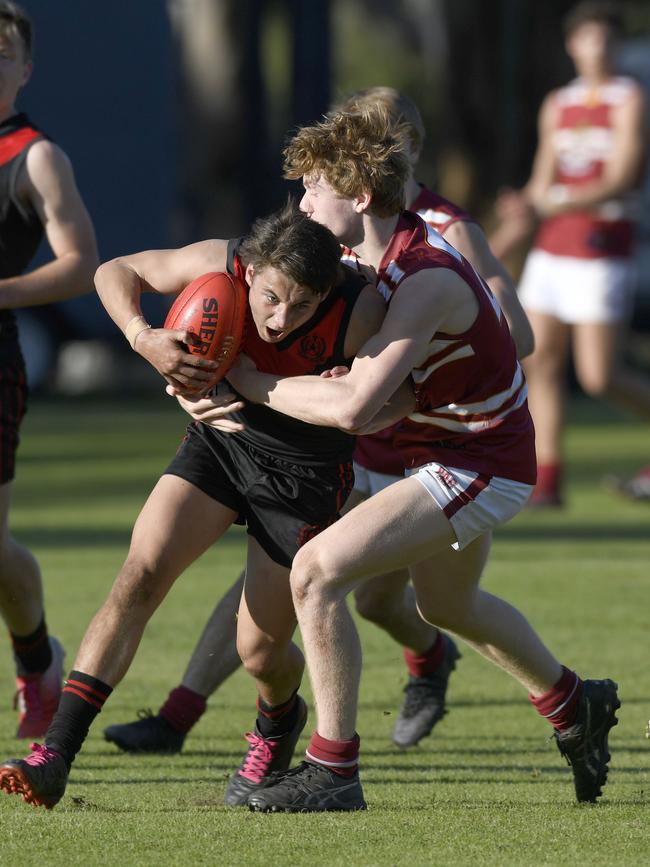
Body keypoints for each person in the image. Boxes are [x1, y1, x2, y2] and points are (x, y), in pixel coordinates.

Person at [102, 86, 535, 756]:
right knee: (290, 570)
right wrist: (198, 367)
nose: (305, 197)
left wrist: (407, 354)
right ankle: (181, 712)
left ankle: (403, 702)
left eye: (323, 177)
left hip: (448, 446)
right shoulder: (334, 234)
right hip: (359, 439)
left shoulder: (443, 240)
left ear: (394, 158)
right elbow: (273, 306)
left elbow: (517, 335)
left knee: (394, 598)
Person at [217, 105, 619, 811]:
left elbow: (353, 407)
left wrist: (246, 382)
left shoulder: (425, 273)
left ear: (362, 197)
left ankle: (333, 768)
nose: (302, 202)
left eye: (314, 188)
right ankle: (573, 703)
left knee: (315, 573)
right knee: (445, 602)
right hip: (434, 448)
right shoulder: (356, 261)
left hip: (478, 460)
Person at [0, 203, 388, 810]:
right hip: (223, 439)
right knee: (139, 576)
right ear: (252, 270)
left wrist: (346, 388)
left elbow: (395, 399)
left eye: (303, 306)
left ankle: (278, 719)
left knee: (259, 652)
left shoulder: (362, 308)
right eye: (270, 297)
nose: (282, 318)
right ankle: (54, 757)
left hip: (306, 473)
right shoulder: (224, 261)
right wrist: (144, 337)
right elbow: (114, 271)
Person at [490, 1, 650, 507]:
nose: (597, 48)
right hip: (554, 246)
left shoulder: (629, 99)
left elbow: (620, 176)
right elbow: (543, 182)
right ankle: (548, 481)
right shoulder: (558, 103)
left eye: (606, 39)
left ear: (616, 46)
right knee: (540, 362)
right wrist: (523, 208)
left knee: (600, 375)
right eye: (588, 38)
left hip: (603, 245)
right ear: (572, 45)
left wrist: (553, 201)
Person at [0, 1, 98, 739]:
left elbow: (80, 264)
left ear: (25, 67)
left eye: (3, 53)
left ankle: (36, 659)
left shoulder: (37, 156)